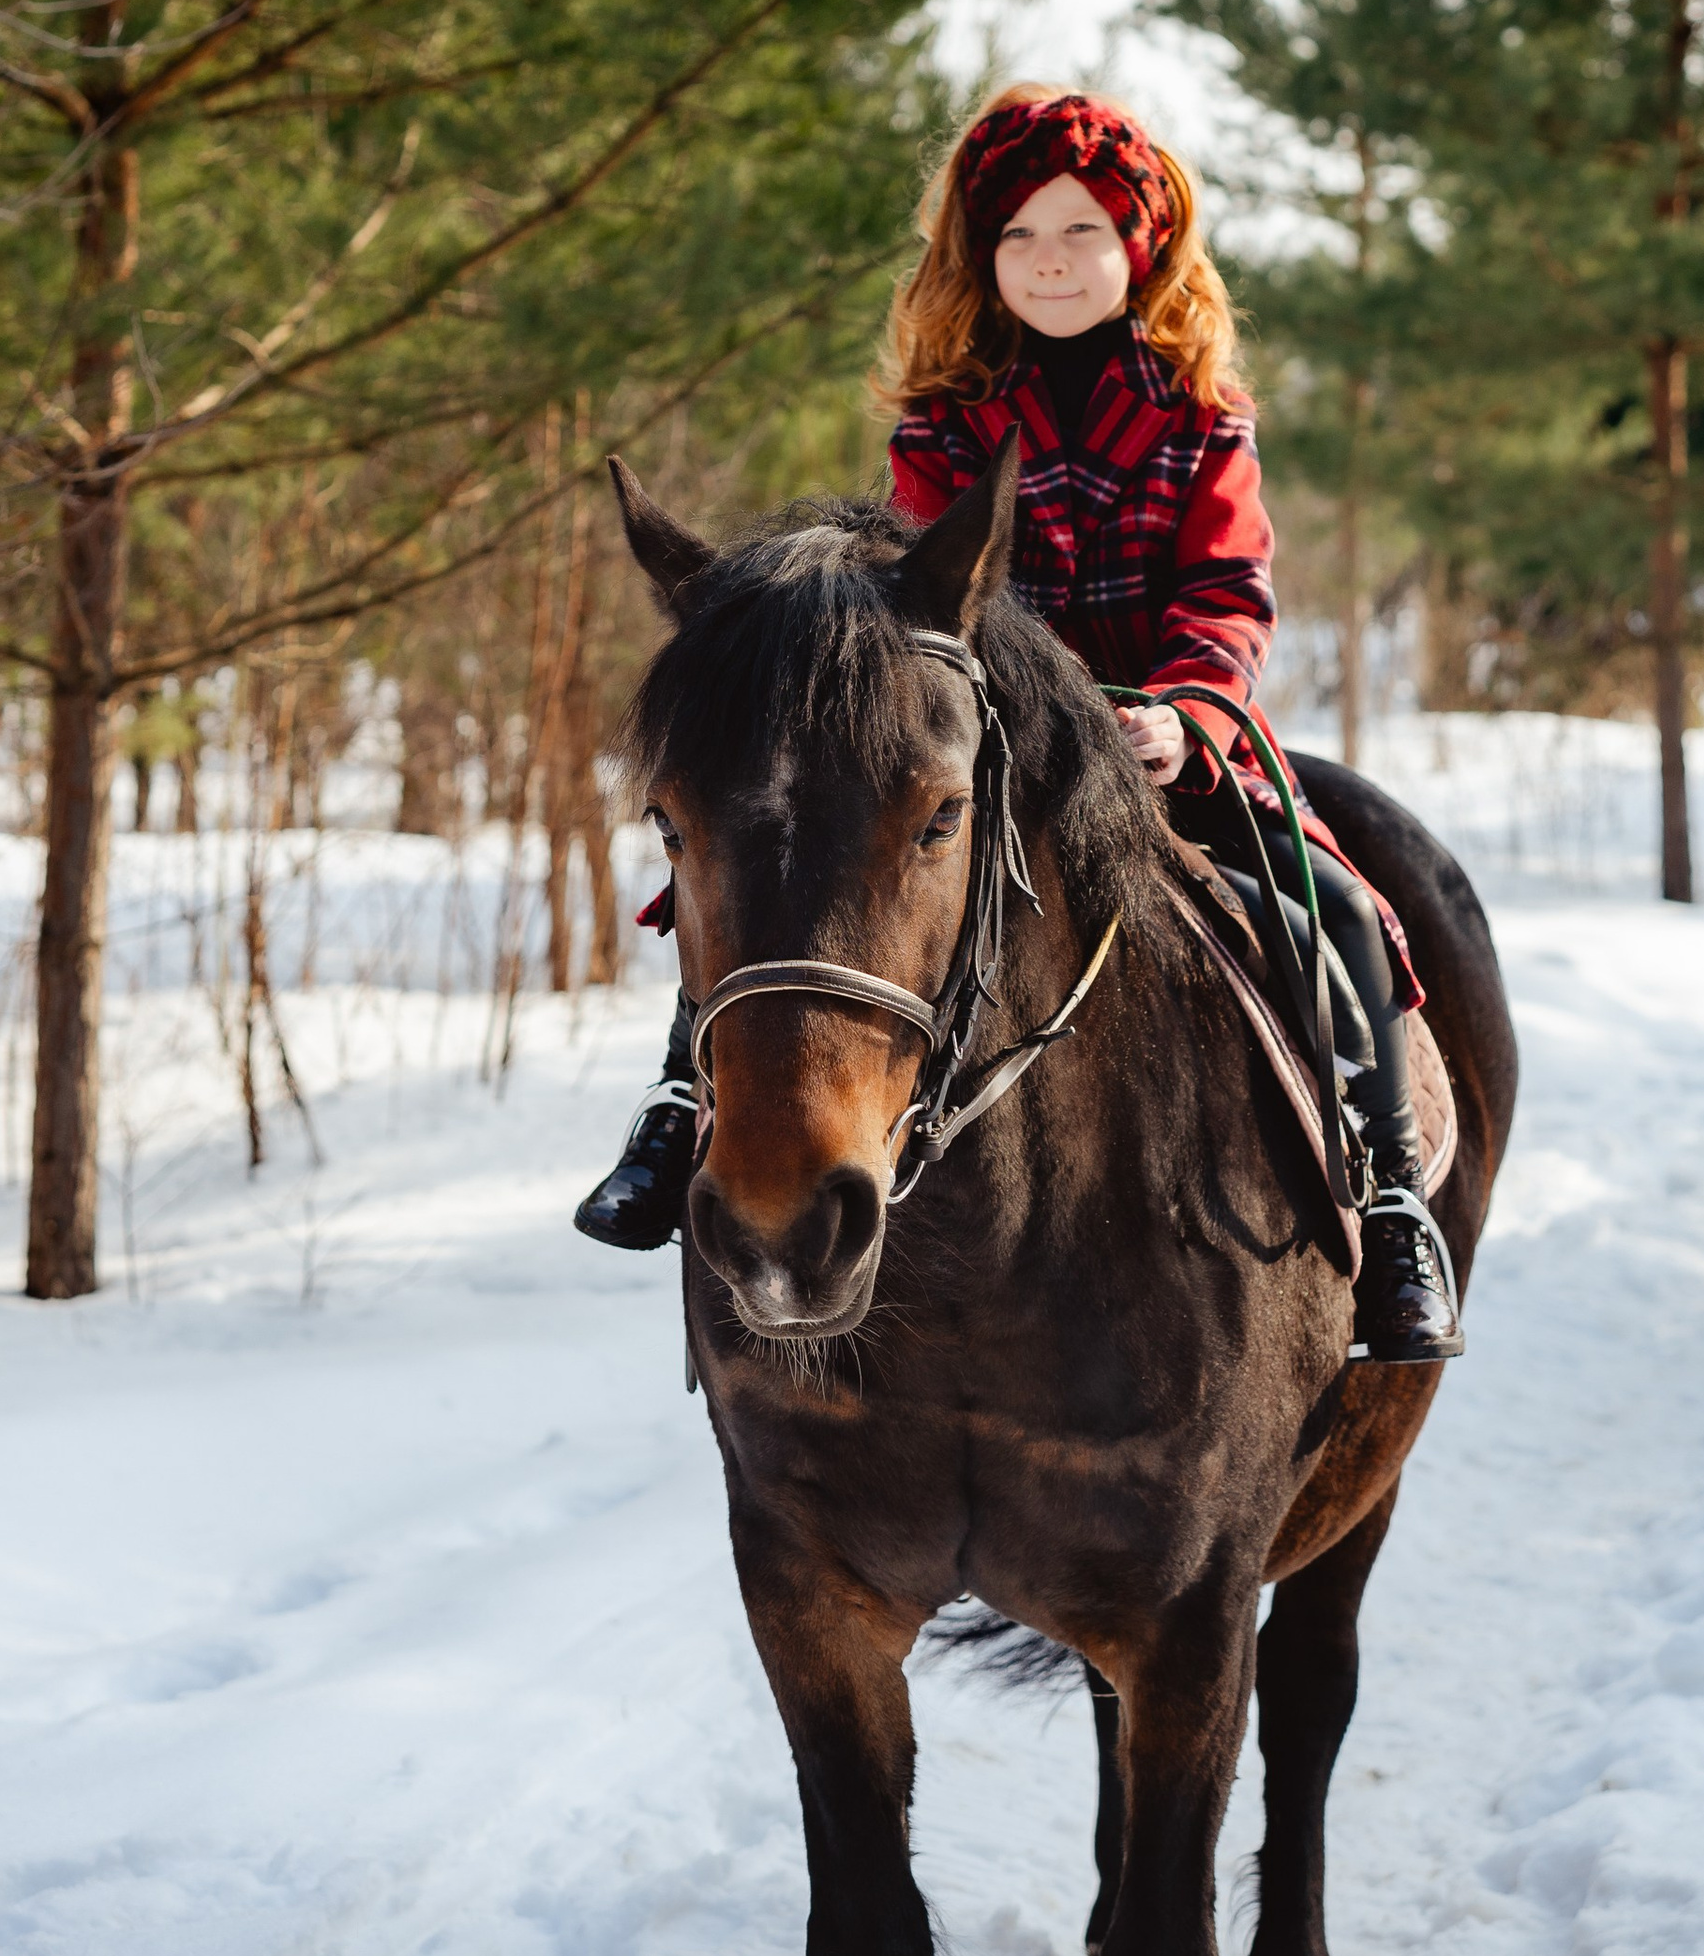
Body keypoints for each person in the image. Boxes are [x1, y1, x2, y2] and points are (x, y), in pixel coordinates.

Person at [574, 83, 1462, 1362]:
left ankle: (1387, 1211)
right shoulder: (945, 420)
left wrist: (1189, 710)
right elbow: (919, 603)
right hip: (976, 739)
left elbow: (1226, 588)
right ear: (980, 259)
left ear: (1140, 249)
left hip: (1159, 746)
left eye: (1083, 232)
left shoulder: (1198, 416)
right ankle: (678, 1114)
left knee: (1332, 909)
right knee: (776, 884)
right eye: (1020, 238)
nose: (1052, 261)